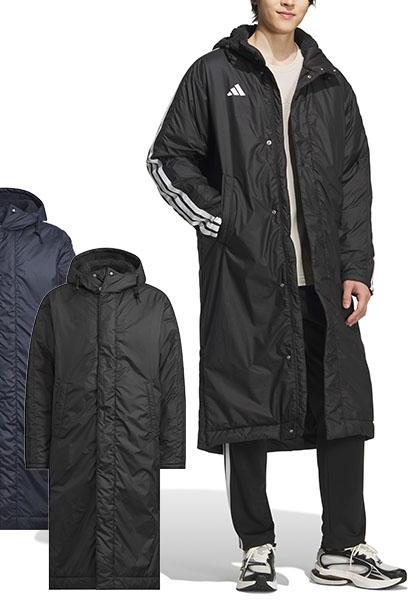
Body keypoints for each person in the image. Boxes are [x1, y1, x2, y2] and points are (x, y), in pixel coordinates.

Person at [147, 0, 407, 592]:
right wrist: (225, 221)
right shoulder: (214, 72)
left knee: (342, 405)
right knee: (245, 401)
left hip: (323, 277)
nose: (288, 1)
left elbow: (354, 183)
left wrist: (357, 267)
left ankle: (341, 548)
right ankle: (255, 545)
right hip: (246, 274)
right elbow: (167, 158)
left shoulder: (331, 84)